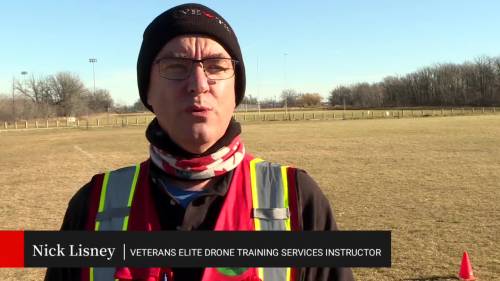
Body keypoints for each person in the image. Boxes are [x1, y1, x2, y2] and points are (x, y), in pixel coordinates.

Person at [45, 3, 355, 281]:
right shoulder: (92, 205)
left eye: (216, 67)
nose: (198, 84)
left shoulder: (299, 199)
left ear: (236, 89)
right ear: (147, 92)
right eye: (175, 67)